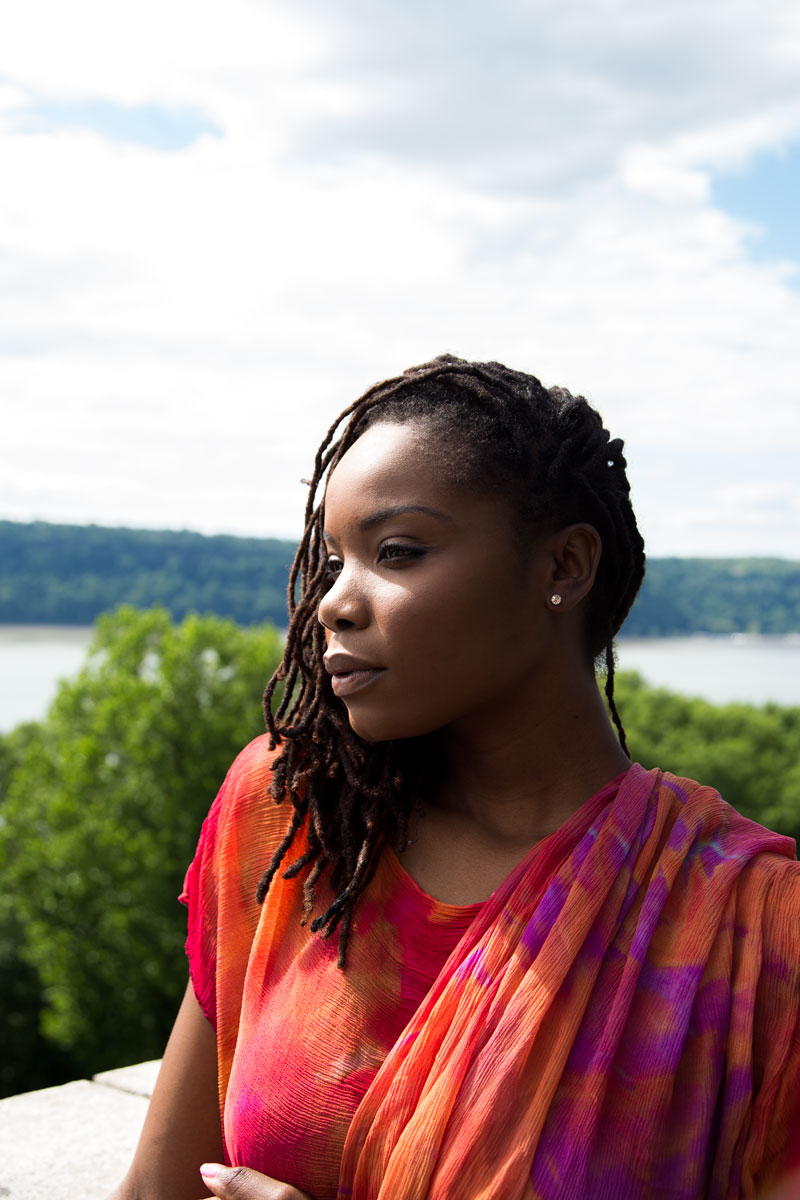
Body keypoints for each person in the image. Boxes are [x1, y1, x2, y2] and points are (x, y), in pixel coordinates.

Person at [109, 356, 800, 1200]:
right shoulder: (295, 818)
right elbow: (157, 1192)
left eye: (396, 552)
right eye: (334, 561)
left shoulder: (756, 929)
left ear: (563, 569)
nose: (334, 602)